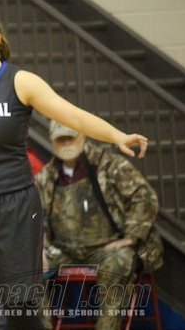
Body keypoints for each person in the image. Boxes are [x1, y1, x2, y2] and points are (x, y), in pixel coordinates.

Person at [0, 6, 148, 330]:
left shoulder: (20, 81)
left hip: (15, 202)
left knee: (19, 301)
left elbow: (73, 116)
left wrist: (117, 136)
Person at [35, 121, 159, 330]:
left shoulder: (109, 165)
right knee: (29, 265)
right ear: (52, 142)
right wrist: (41, 248)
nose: (66, 144)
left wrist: (131, 236)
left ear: (83, 137)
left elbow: (144, 197)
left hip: (106, 248)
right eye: (61, 140)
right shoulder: (46, 177)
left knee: (119, 262)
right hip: (64, 250)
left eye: (71, 138)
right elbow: (36, 217)